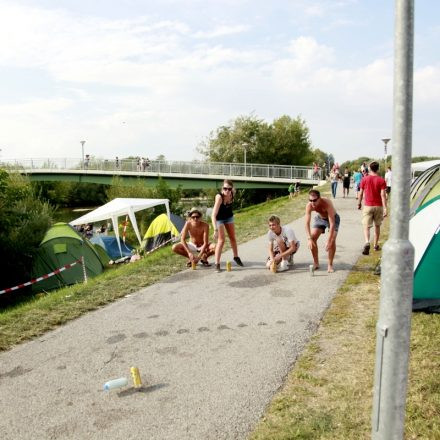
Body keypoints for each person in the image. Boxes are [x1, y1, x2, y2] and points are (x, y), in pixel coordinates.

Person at [211, 179, 243, 272]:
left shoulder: (232, 193)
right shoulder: (219, 197)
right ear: (222, 188)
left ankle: (236, 257)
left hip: (229, 217)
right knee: (221, 240)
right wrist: (215, 229)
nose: (227, 191)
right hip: (219, 219)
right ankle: (217, 264)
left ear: (232, 189)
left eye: (229, 189)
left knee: (232, 237)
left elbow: (233, 191)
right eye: (225, 189)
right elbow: (213, 215)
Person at [305, 189, 340, 273]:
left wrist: (329, 240)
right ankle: (316, 263)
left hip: (333, 219)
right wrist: (309, 239)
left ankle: (330, 265)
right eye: (310, 200)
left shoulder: (327, 203)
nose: (312, 202)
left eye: (314, 200)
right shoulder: (309, 205)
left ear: (319, 198)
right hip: (320, 218)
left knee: (332, 240)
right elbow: (306, 223)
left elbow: (332, 224)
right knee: (312, 238)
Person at [358, 161, 387, 255]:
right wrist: (385, 208)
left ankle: (367, 242)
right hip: (378, 206)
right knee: (377, 226)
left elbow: (361, 193)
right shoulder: (381, 180)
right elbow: (383, 195)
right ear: (378, 169)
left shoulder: (365, 179)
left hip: (368, 206)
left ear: (369, 169)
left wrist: (359, 203)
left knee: (366, 226)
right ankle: (375, 245)